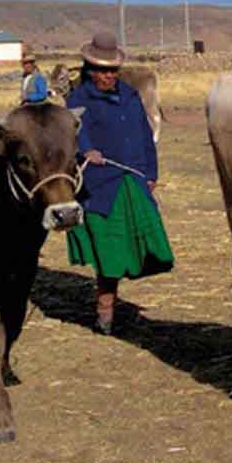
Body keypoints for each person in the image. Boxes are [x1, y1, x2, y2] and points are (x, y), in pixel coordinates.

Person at [66, 32, 174, 335]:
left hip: (134, 180)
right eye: (102, 70)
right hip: (101, 186)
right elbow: (74, 133)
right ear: (89, 69)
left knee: (152, 246)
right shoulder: (78, 100)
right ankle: (105, 312)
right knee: (108, 254)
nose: (108, 76)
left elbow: (144, 136)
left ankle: (112, 304)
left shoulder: (129, 96)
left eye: (112, 70)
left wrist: (151, 173)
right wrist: (86, 150)